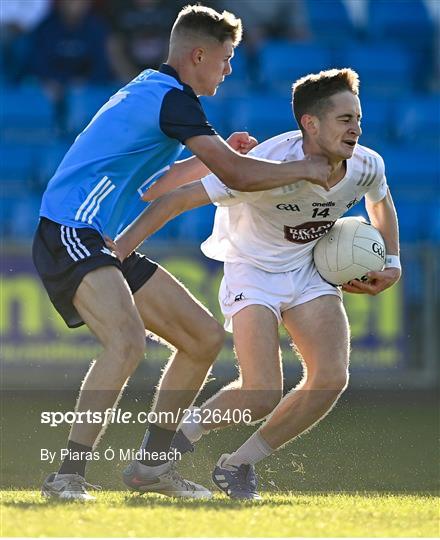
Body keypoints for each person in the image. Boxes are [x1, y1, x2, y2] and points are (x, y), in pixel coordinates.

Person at [33, 4, 331, 501]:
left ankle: (151, 467)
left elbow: (153, 187)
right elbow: (238, 175)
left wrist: (210, 159)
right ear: (199, 54)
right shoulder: (174, 101)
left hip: (99, 240)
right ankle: (67, 475)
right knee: (126, 343)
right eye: (226, 58)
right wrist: (304, 168)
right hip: (70, 229)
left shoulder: (156, 91)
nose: (230, 69)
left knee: (202, 338)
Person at [107, 68, 401, 500]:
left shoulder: (366, 164)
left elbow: (382, 202)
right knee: (261, 392)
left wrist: (392, 261)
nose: (356, 128)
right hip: (252, 270)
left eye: (358, 119)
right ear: (310, 123)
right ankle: (174, 440)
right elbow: (175, 199)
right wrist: (120, 252)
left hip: (308, 269)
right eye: (345, 119)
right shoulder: (264, 165)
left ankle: (238, 465)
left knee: (331, 378)